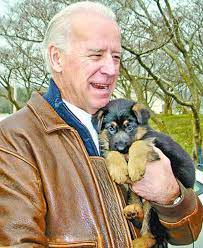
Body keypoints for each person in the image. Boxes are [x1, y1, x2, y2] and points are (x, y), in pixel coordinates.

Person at [0, 1, 202, 247]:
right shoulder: (14, 138)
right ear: (57, 58)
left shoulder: (129, 122)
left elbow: (187, 235)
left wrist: (171, 195)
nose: (111, 68)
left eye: (116, 57)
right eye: (96, 55)